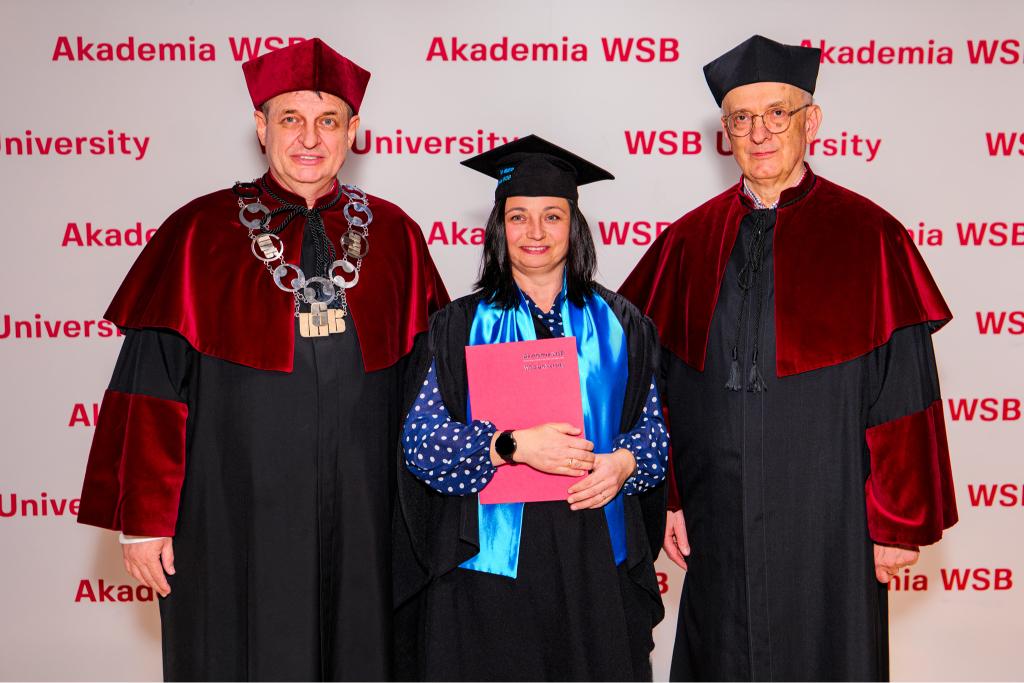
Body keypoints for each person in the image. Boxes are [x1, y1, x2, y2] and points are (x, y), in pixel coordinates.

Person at [76, 38, 448, 680]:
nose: (310, 138)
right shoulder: (198, 232)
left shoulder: (397, 236)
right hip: (231, 514)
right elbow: (150, 386)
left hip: (367, 517)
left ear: (353, 131)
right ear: (260, 126)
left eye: (328, 120)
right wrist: (142, 520)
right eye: (291, 119)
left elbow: (432, 389)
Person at [619, 35, 957, 682]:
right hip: (718, 508)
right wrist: (671, 497)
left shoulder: (871, 235)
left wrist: (897, 523)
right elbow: (658, 384)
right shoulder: (688, 241)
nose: (760, 132)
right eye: (742, 118)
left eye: (778, 113)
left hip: (832, 510)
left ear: (812, 120)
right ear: (726, 132)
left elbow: (904, 388)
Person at [393, 135, 668, 681]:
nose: (535, 232)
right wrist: (509, 446)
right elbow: (421, 443)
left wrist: (624, 463)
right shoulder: (457, 326)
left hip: (595, 553)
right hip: (490, 561)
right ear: (499, 228)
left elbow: (654, 435)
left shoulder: (623, 324)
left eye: (552, 216)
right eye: (518, 217)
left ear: (574, 226)